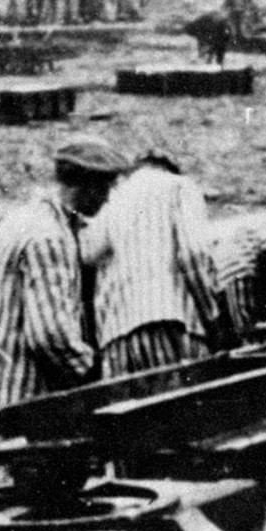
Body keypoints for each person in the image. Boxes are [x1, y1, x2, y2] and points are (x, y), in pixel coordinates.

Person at [0, 134, 129, 410]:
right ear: (86, 184)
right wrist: (97, 379)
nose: (107, 197)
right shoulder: (49, 237)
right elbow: (51, 337)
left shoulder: (25, 218)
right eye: (104, 187)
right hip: (18, 400)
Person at [84, 151, 220, 377]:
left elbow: (88, 256)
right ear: (170, 167)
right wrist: (211, 316)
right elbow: (193, 254)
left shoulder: (111, 198)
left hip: (115, 339)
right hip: (172, 323)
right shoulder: (179, 186)